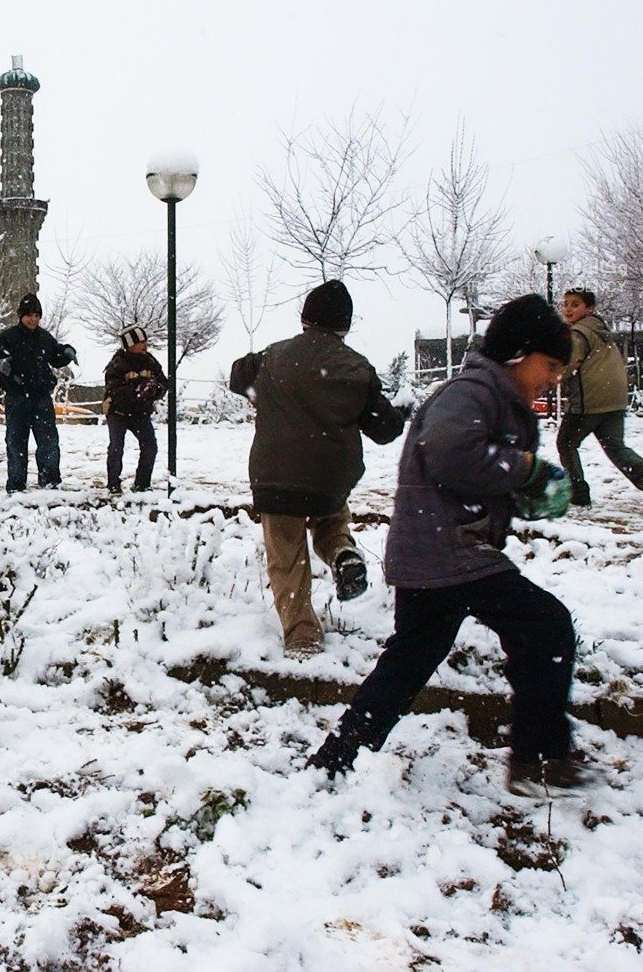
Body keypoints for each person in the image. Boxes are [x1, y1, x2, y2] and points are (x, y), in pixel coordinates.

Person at [307, 295, 595, 797]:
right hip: (451, 550)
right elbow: (449, 451)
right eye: (549, 365)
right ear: (519, 353)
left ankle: (338, 756)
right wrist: (525, 470)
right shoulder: (473, 392)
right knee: (544, 626)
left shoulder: (494, 398)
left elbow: (474, 475)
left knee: (409, 661)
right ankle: (538, 759)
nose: (554, 377)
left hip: (432, 550)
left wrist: (528, 499)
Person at [228, 280, 404, 657]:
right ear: (346, 326)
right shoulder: (358, 368)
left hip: (276, 474)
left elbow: (237, 376)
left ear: (304, 317)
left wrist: (266, 389)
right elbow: (385, 430)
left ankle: (303, 637)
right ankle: (342, 553)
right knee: (330, 520)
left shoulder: (273, 357)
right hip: (330, 476)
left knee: (287, 555)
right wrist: (399, 412)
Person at [556, 289, 643, 513]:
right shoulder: (601, 331)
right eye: (566, 304)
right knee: (615, 446)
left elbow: (567, 365)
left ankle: (577, 494)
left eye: (575, 304)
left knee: (566, 443)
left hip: (589, 401)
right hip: (615, 399)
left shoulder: (578, 334)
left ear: (589, 308)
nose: (568, 309)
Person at [0, 293, 77, 492]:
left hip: (41, 397)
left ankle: (50, 481)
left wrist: (67, 351)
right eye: (29, 315)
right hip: (16, 397)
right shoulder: (8, 337)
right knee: (16, 443)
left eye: (37, 315)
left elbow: (55, 355)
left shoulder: (44, 337)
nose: (33, 319)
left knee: (48, 442)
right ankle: (16, 485)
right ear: (21, 316)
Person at [101, 325, 167, 494]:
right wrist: (137, 390)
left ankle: (142, 484)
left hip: (140, 413)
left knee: (150, 446)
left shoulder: (150, 361)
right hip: (118, 413)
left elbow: (163, 383)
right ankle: (113, 483)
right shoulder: (117, 364)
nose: (145, 346)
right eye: (140, 342)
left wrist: (155, 390)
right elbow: (114, 390)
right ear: (129, 345)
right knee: (116, 447)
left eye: (145, 341)